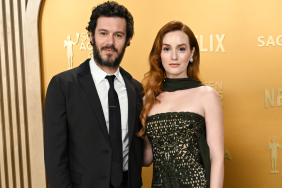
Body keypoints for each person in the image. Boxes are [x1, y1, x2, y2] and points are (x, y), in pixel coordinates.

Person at [44, 2, 143, 188]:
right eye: (103, 33)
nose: (110, 43)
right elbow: (54, 158)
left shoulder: (136, 90)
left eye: (118, 35)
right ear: (91, 35)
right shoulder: (63, 86)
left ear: (128, 39)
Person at [139, 21, 224, 188]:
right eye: (167, 49)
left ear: (192, 53)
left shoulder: (207, 95)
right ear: (159, 54)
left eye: (181, 49)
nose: (174, 57)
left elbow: (217, 156)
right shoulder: (148, 99)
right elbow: (147, 157)